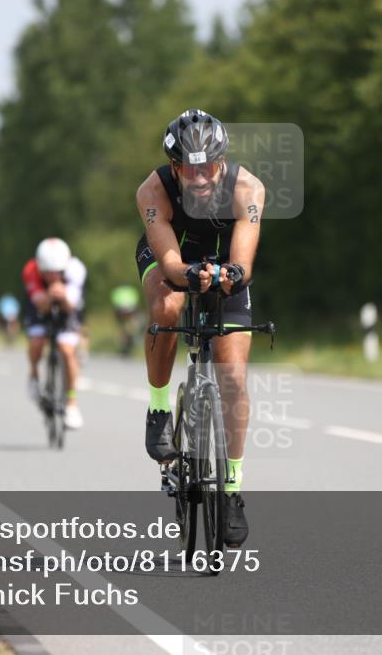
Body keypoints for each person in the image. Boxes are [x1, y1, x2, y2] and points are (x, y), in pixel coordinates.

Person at [135, 108, 265, 548]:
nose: (200, 176)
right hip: (172, 254)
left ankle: (231, 489)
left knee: (232, 376)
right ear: (174, 167)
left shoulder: (247, 188)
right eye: (189, 168)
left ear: (222, 161)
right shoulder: (153, 190)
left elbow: (244, 262)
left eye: (208, 166)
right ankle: (157, 409)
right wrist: (186, 275)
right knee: (168, 305)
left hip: (225, 260)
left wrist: (231, 275)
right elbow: (170, 262)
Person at [22, 238, 87, 429]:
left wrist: (63, 296)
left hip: (67, 304)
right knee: (37, 341)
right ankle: (34, 374)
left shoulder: (76, 269)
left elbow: (71, 306)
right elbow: (40, 305)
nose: (53, 276)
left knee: (67, 351)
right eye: (48, 273)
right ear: (40, 268)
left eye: (58, 272)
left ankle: (72, 403)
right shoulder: (30, 270)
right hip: (41, 304)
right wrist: (50, 295)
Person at [110, 284, 141, 356]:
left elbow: (115, 305)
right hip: (129, 314)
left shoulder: (118, 292)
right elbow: (136, 303)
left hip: (123, 314)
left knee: (124, 330)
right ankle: (126, 344)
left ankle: (126, 344)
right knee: (128, 330)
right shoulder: (131, 291)